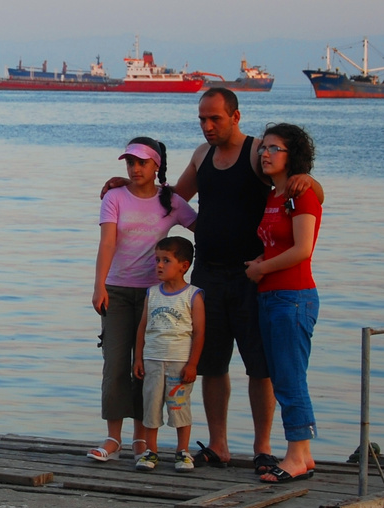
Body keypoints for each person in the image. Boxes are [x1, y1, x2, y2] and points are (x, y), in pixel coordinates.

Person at [103, 87, 321, 474]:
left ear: (235, 117)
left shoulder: (258, 153)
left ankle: (263, 448)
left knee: (260, 367)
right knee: (212, 364)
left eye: (215, 118)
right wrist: (130, 184)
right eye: (202, 119)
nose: (207, 126)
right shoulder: (202, 156)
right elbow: (167, 198)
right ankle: (219, 444)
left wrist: (309, 180)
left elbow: (299, 185)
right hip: (207, 273)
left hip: (251, 275)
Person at [90, 138, 196, 467]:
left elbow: (201, 229)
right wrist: (99, 286)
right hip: (118, 291)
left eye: (142, 163)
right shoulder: (115, 197)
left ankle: (141, 439)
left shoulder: (172, 201)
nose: (135, 169)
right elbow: (107, 242)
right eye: (130, 163)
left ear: (156, 166)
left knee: (147, 368)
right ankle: (113, 438)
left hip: (156, 296)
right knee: (116, 364)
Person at [244, 123, 322, 483]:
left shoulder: (300, 193)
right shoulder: (273, 196)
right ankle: (302, 456)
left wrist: (261, 268)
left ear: (294, 156)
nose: (266, 154)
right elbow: (276, 243)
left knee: (290, 377)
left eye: (275, 149)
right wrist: (260, 266)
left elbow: (302, 250)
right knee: (282, 376)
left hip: (292, 296)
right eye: (264, 148)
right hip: (270, 296)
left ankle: (294, 453)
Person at [132, 237, 206, 472]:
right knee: (151, 407)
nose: (159, 265)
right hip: (153, 361)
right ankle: (150, 451)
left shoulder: (193, 295)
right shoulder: (152, 293)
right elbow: (143, 327)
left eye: (166, 260)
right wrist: (138, 358)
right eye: (157, 260)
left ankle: (182, 452)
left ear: (184, 265)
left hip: (179, 363)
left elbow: (199, 332)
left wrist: (193, 364)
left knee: (179, 407)